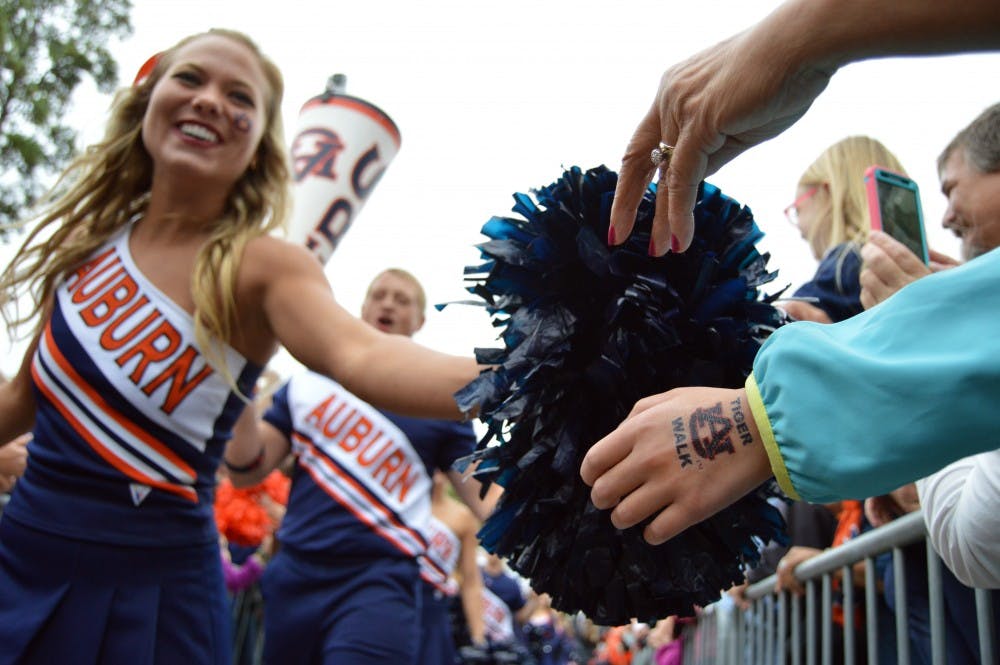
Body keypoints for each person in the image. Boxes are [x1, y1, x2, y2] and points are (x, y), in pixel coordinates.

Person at [0, 30, 479, 665]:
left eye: (239, 97)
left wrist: (534, 370)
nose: (209, 101)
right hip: (22, 555)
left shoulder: (265, 267)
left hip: (157, 591)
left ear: (258, 147)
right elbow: (25, 394)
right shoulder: (88, 244)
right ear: (149, 100)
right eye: (190, 79)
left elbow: (361, 358)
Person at [580, 0, 1000, 549]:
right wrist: (808, 37)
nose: (944, 216)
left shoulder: (846, 269)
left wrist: (756, 418)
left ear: (825, 193)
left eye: (798, 203)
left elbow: (973, 529)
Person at [225, 267, 496, 665]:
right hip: (295, 576)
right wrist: (239, 367)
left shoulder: (440, 404)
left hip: (380, 583)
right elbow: (247, 468)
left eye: (402, 299)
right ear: (362, 306)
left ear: (420, 321)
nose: (388, 303)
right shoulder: (309, 382)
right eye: (379, 294)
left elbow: (487, 501)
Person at [779, 136, 908, 324]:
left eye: (797, 210)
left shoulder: (848, 262)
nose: (798, 226)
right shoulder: (915, 270)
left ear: (828, 194)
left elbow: (790, 317)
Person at [419, 470, 486, 663]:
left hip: (435, 613)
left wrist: (478, 638)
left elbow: (471, 580)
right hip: (396, 597)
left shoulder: (462, 516)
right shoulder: (405, 500)